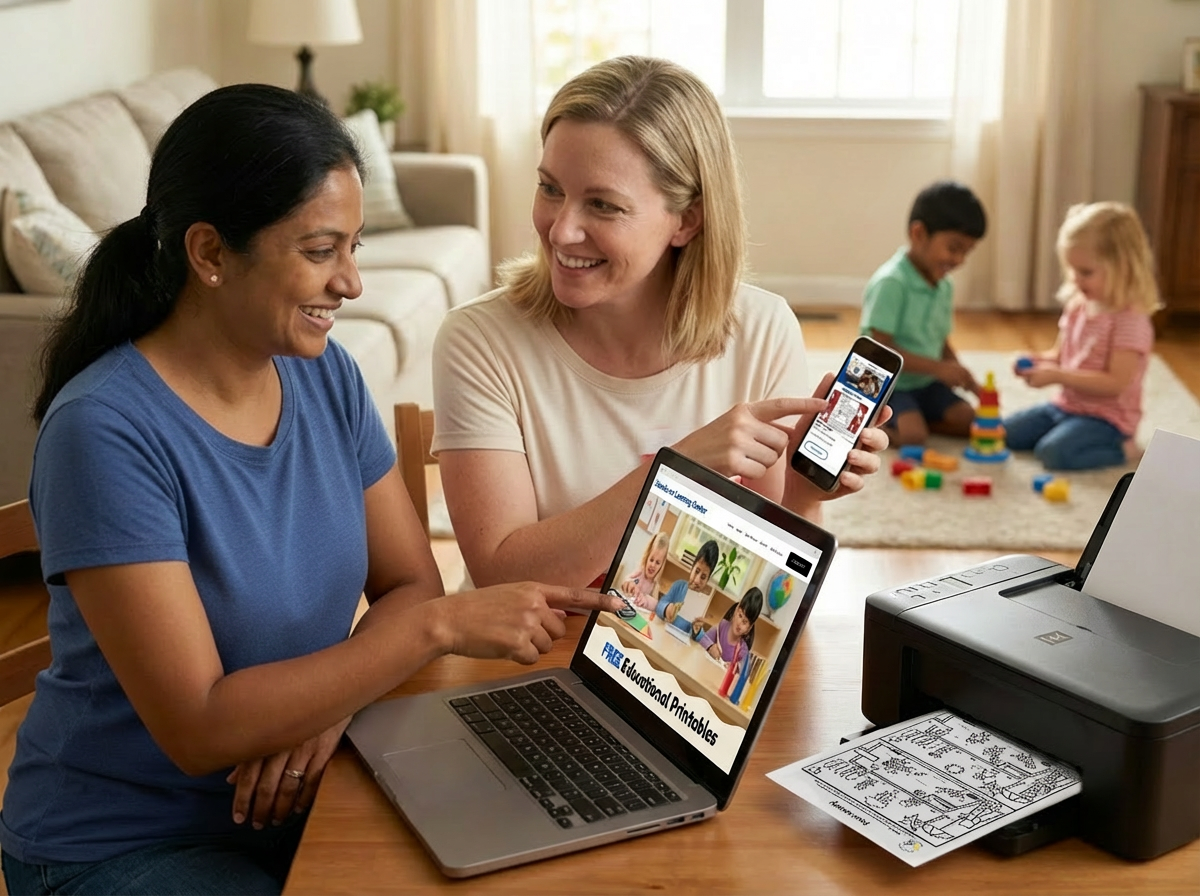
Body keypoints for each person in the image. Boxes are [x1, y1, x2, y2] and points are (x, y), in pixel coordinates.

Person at [0, 84, 618, 896]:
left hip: (316, 788)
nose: (353, 283)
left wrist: (330, 705)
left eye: (355, 247)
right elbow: (201, 724)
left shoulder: (326, 378)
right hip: (127, 842)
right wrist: (431, 631)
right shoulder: (104, 434)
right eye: (322, 250)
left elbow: (405, 581)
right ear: (211, 254)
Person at [432, 56, 890, 591]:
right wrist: (678, 473)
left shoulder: (763, 332)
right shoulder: (479, 341)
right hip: (531, 657)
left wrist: (805, 494)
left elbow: (759, 594)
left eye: (602, 205)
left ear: (687, 220)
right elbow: (500, 573)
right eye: (550, 188)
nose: (560, 231)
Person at [1004, 202, 1160, 470]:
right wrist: (1036, 361)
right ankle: (1067, 434)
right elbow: (1060, 356)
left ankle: (1124, 449)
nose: (1076, 279)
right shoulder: (1078, 306)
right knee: (1002, 432)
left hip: (1107, 420)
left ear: (1123, 267)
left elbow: (1115, 382)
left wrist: (1058, 375)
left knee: (1054, 454)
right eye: (1072, 270)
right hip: (1066, 407)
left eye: (1086, 272)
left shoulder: (1130, 321)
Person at [860, 180, 988, 446]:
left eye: (967, 252)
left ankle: (915, 417)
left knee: (971, 420)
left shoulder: (944, 284)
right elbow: (878, 350)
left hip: (926, 382)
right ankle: (870, 427)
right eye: (954, 248)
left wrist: (962, 374)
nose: (959, 260)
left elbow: (939, 340)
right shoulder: (891, 283)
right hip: (889, 385)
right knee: (913, 436)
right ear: (918, 233)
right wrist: (938, 369)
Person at [655, 540, 720, 631]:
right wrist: (667, 609)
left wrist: (697, 630)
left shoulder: (702, 603)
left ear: (707, 580)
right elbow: (659, 605)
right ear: (692, 567)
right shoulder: (679, 586)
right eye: (696, 571)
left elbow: (699, 637)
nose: (697, 580)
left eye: (703, 577)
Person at [699, 587, 762, 666]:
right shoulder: (722, 626)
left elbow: (745, 669)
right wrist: (710, 647)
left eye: (745, 622)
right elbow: (703, 639)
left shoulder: (743, 649)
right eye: (740, 615)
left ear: (749, 628)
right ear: (736, 610)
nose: (739, 623)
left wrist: (735, 668)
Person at [620, 531, 669, 609]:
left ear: (661, 566)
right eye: (651, 559)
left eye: (657, 562)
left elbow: (656, 605)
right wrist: (628, 583)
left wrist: (646, 600)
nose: (653, 565)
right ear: (647, 557)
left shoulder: (655, 585)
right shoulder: (639, 572)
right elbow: (626, 579)